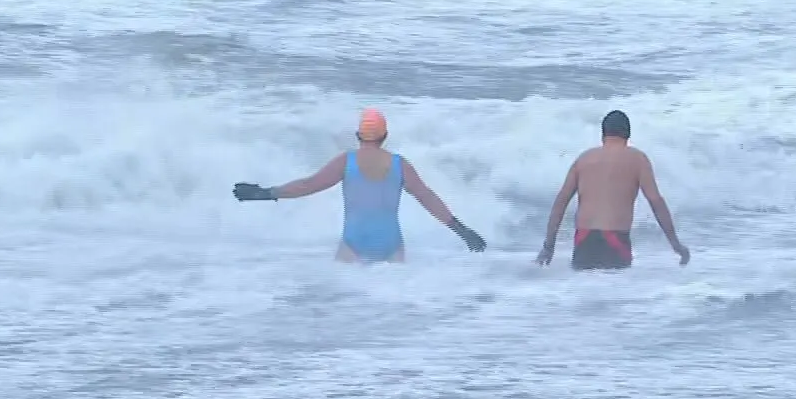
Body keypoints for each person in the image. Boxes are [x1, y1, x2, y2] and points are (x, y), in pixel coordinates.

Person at [232, 107, 486, 262]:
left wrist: (264, 193)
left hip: (354, 243)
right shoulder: (400, 165)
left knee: (347, 311)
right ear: (385, 136)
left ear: (357, 136)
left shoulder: (346, 162)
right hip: (391, 244)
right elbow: (427, 197)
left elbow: (308, 185)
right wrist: (462, 230)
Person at [537, 110, 689, 270]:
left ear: (603, 134)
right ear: (628, 135)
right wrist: (675, 244)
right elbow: (655, 201)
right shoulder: (637, 159)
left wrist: (548, 247)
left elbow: (560, 203)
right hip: (615, 240)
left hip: (584, 240)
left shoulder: (583, 159)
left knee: (582, 292)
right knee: (616, 293)